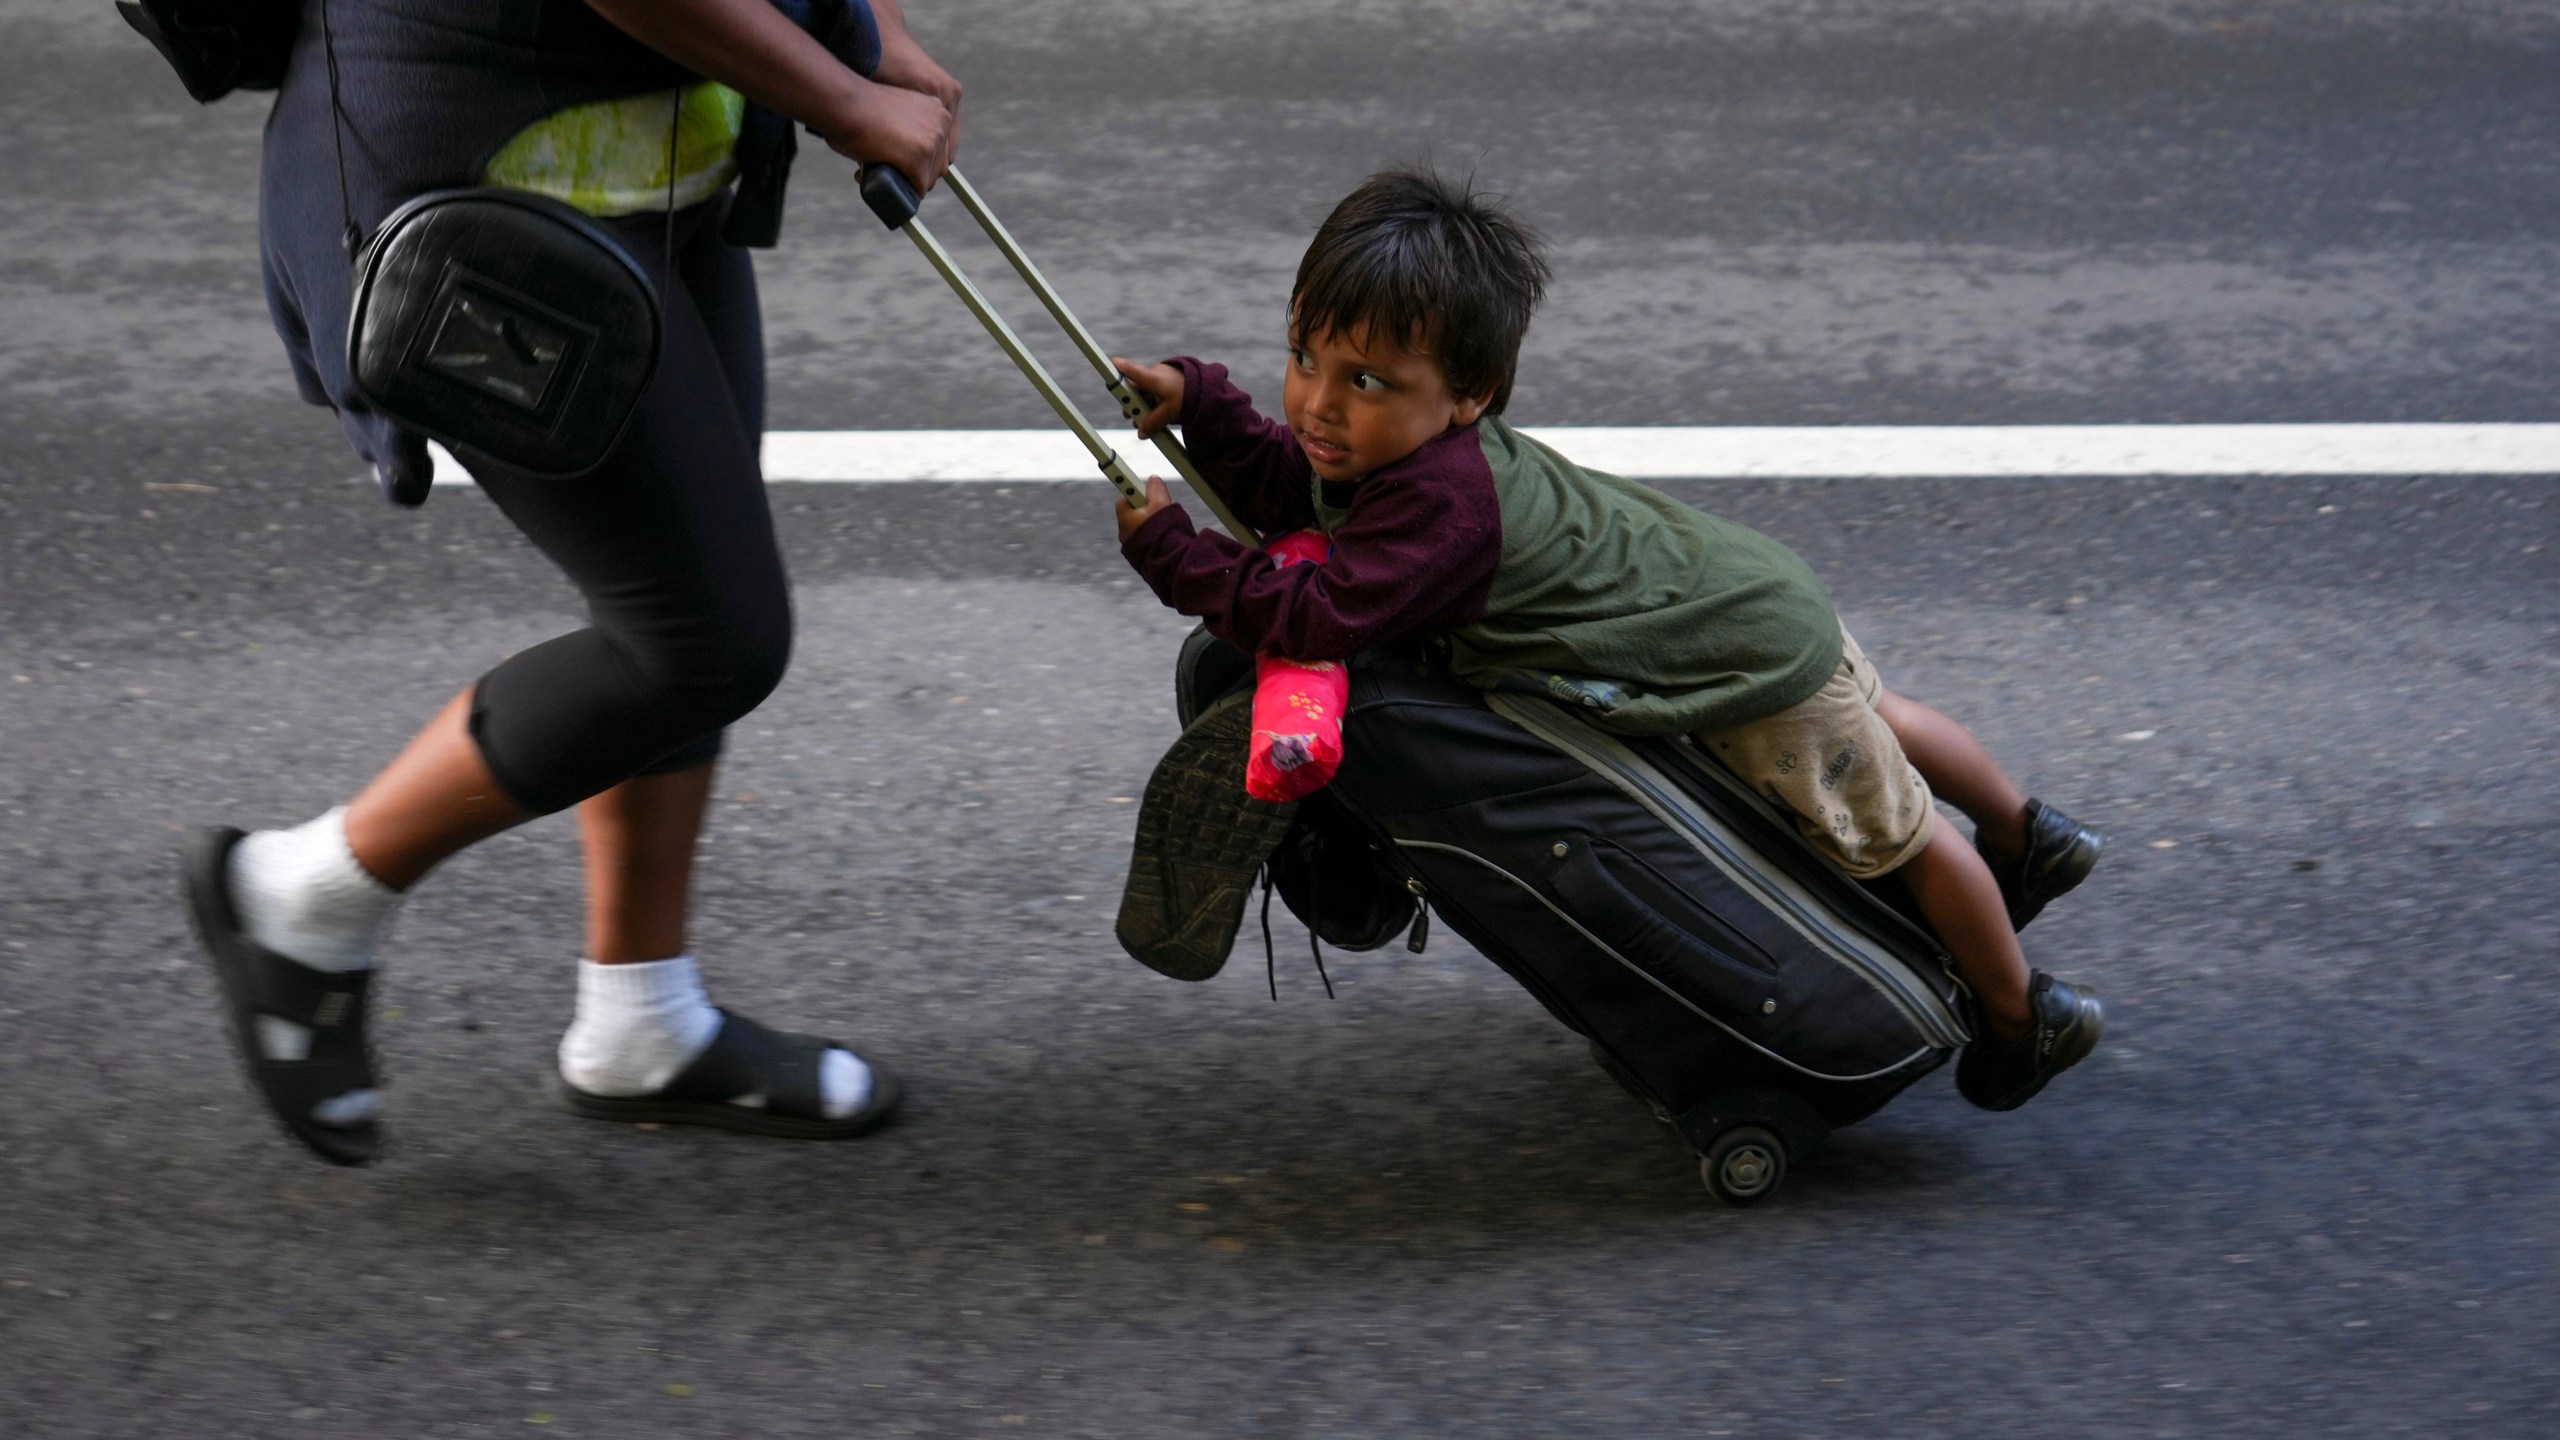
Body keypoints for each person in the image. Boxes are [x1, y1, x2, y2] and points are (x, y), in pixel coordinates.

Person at [1106, 168, 2107, 1112]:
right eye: (1302, 356)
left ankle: (2023, 1018)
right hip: (1739, 592)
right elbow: (1301, 481)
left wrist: (1173, 555)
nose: (1319, 401)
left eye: (1366, 379)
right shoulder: (1410, 454)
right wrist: (1205, 408)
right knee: (1880, 716)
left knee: (1902, 833)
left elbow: (1313, 616)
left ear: (1471, 394)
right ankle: (2026, 831)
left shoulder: (1436, 508)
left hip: (1739, 662)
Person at [184, 0, 963, 1166]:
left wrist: (856, 23)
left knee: (681, 596)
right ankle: (304, 896)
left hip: (648, 150)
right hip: (485, 190)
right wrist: (847, 93)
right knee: (701, 641)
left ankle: (640, 1019)